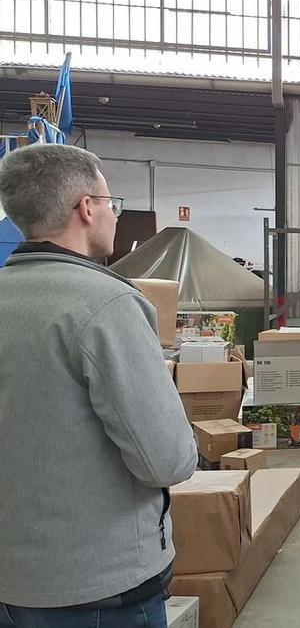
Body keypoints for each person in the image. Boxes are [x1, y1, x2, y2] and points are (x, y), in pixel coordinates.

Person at [0, 144, 197, 627]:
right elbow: (167, 459)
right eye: (112, 203)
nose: (113, 214)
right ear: (87, 208)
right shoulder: (106, 307)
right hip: (97, 589)